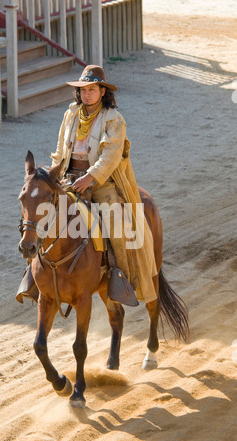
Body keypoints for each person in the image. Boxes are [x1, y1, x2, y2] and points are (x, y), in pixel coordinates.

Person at [51, 65, 158, 303]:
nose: (86, 94)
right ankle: (35, 275)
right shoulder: (70, 115)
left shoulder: (114, 119)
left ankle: (121, 278)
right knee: (41, 215)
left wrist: (90, 177)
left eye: (92, 89)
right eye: (83, 90)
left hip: (102, 182)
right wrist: (53, 176)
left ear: (102, 91)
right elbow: (60, 151)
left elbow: (110, 156)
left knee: (116, 223)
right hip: (69, 178)